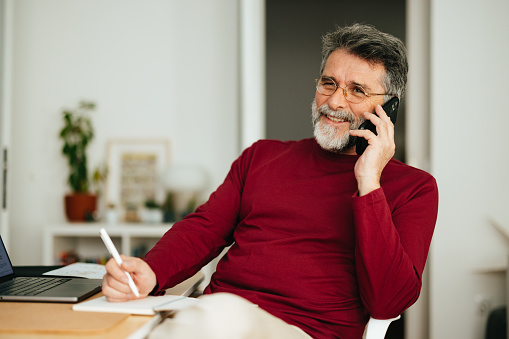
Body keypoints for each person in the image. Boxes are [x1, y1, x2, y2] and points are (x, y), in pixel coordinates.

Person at [102, 23, 438, 339]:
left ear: (389, 108)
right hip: (217, 316)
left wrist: (369, 181)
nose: (335, 102)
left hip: (298, 330)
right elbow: (204, 228)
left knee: (220, 315)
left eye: (357, 90)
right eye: (328, 83)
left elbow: (389, 302)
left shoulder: (414, 188)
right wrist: (151, 271)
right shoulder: (262, 157)